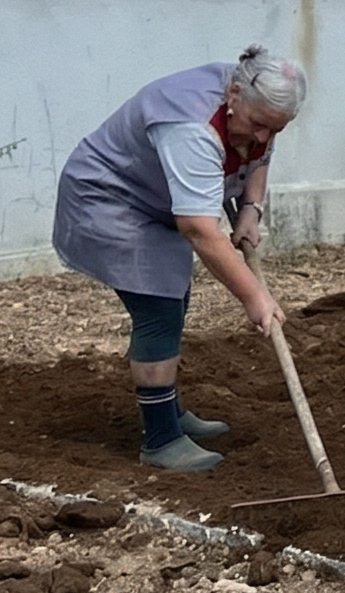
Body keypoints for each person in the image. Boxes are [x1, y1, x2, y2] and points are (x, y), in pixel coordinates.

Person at [52, 45, 308, 474]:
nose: (265, 136)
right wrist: (255, 296)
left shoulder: (252, 103)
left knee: (173, 296)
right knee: (159, 306)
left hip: (152, 204)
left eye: (276, 129)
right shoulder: (189, 126)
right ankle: (161, 439)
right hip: (108, 199)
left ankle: (167, 411)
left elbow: (258, 154)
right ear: (233, 96)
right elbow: (199, 231)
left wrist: (251, 208)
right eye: (260, 124)